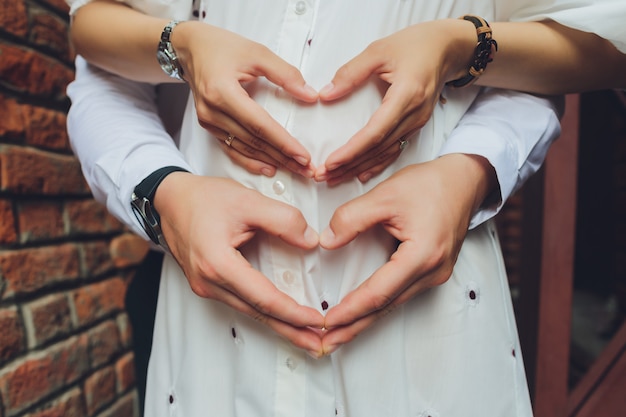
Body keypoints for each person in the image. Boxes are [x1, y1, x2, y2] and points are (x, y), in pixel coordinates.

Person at [64, 1, 599, 416]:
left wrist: (470, 166)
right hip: (214, 328)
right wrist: (163, 192)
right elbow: (101, 65)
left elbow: (568, 48)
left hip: (430, 319)